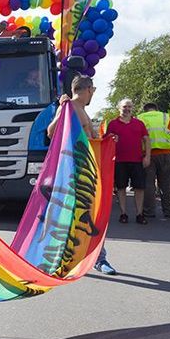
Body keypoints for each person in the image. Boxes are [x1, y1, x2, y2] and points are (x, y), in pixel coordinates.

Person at [48, 77, 118, 275]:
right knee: (76, 215)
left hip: (87, 169)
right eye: (93, 90)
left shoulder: (80, 109)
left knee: (93, 214)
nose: (92, 94)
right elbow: (51, 132)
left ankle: (97, 258)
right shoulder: (68, 106)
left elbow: (89, 138)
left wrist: (105, 140)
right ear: (88, 89)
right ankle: (67, 258)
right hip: (75, 171)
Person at [104, 98, 150, 224]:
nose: (127, 109)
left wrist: (147, 156)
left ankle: (139, 214)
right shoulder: (113, 124)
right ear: (119, 108)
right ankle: (123, 213)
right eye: (125, 106)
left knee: (139, 188)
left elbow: (146, 139)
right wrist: (111, 138)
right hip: (119, 161)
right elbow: (106, 141)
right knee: (121, 187)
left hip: (137, 160)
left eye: (129, 107)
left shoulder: (139, 123)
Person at [138, 102, 170, 219]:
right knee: (166, 184)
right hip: (166, 154)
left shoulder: (140, 118)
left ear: (145, 110)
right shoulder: (166, 117)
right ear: (156, 109)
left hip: (147, 154)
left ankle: (149, 212)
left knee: (148, 184)